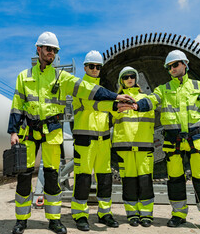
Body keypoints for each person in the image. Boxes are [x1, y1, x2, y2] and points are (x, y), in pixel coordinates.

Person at [8, 31, 134, 234]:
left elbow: (88, 89)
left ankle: (54, 220)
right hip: (28, 132)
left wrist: (115, 96)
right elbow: (17, 105)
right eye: (48, 49)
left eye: (55, 50)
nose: (51, 53)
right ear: (38, 49)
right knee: (24, 177)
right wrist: (13, 131)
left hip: (52, 132)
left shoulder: (62, 77)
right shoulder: (24, 77)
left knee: (51, 176)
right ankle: (21, 220)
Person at [134, 50, 200, 234]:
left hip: (197, 140)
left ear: (185, 64)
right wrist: (136, 104)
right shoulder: (163, 89)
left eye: (175, 65)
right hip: (173, 142)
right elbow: (151, 100)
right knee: (175, 181)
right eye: (169, 67)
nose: (172, 69)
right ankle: (178, 215)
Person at [71, 50, 119, 231]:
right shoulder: (80, 87)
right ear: (85, 67)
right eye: (91, 66)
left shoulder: (105, 90)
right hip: (85, 140)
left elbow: (113, 111)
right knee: (83, 178)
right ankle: (80, 214)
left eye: (98, 67)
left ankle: (105, 212)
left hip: (103, 141)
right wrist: (115, 101)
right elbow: (94, 101)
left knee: (105, 178)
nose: (95, 69)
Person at [111, 66, 155, 227]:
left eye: (132, 76)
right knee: (128, 182)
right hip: (125, 147)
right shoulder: (116, 102)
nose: (130, 79)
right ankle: (132, 214)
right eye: (125, 77)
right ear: (121, 81)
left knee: (145, 181)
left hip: (144, 147)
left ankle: (146, 214)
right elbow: (114, 115)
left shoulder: (147, 99)